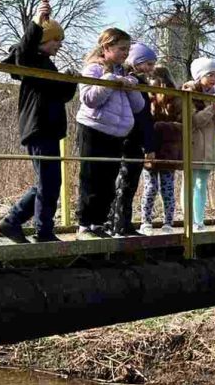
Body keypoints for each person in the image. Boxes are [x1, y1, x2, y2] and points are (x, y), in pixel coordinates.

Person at [0, 0, 74, 244]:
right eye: (55, 39)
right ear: (42, 39)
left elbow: (61, 96)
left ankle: (13, 221)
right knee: (48, 182)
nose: (59, 44)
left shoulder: (48, 65)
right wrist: (38, 21)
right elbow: (25, 49)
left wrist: (70, 81)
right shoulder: (31, 60)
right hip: (39, 128)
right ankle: (42, 231)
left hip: (49, 128)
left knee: (49, 181)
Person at [76, 29, 146, 239]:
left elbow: (139, 106)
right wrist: (109, 81)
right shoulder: (93, 69)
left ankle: (99, 223)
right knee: (91, 178)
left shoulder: (124, 73)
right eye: (121, 48)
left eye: (127, 49)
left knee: (108, 181)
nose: (125, 53)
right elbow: (89, 99)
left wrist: (131, 87)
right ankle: (84, 225)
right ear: (106, 48)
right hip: (93, 128)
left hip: (117, 133)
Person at [109, 43, 158, 237]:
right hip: (130, 136)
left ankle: (122, 221)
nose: (151, 69)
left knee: (128, 182)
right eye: (148, 64)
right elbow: (144, 117)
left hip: (131, 137)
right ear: (136, 62)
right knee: (125, 182)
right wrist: (149, 145)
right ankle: (119, 223)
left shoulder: (136, 82)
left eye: (152, 65)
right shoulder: (133, 83)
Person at [184, 57, 215, 230]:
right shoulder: (189, 93)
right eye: (210, 75)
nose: (214, 79)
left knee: (202, 184)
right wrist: (212, 108)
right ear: (199, 75)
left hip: (209, 146)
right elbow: (195, 121)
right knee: (190, 183)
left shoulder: (213, 96)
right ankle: (189, 221)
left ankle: (199, 221)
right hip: (194, 145)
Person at [140, 66, 180, 234]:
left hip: (168, 149)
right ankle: (145, 221)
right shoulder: (146, 98)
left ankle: (168, 222)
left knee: (168, 188)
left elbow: (182, 124)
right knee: (150, 187)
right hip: (150, 148)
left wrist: (160, 126)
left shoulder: (176, 99)